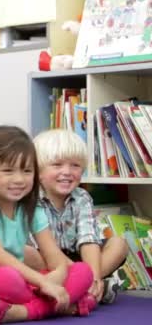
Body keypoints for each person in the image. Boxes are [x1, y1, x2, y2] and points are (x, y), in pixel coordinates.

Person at [0, 125, 94, 324]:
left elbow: (53, 255)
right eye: (8, 171)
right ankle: (64, 306)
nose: (19, 179)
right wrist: (43, 282)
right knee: (6, 278)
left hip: (27, 281)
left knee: (83, 271)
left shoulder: (31, 208)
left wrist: (57, 275)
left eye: (27, 170)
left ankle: (23, 312)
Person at [32, 129, 128, 304]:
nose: (67, 172)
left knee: (119, 244)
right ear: (38, 171)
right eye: (57, 165)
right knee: (26, 253)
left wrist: (94, 276)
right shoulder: (31, 199)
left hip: (79, 259)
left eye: (75, 165)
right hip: (45, 260)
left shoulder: (82, 197)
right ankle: (83, 290)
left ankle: (90, 286)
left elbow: (88, 240)